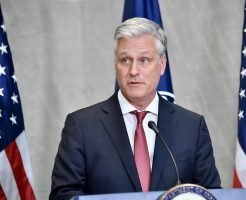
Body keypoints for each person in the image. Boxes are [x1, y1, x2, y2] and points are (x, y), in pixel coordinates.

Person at [49, 17, 221, 200]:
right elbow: (63, 195)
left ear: (162, 65)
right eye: (125, 60)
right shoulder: (81, 126)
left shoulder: (192, 127)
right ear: (116, 65)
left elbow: (210, 194)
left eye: (144, 60)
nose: (133, 71)